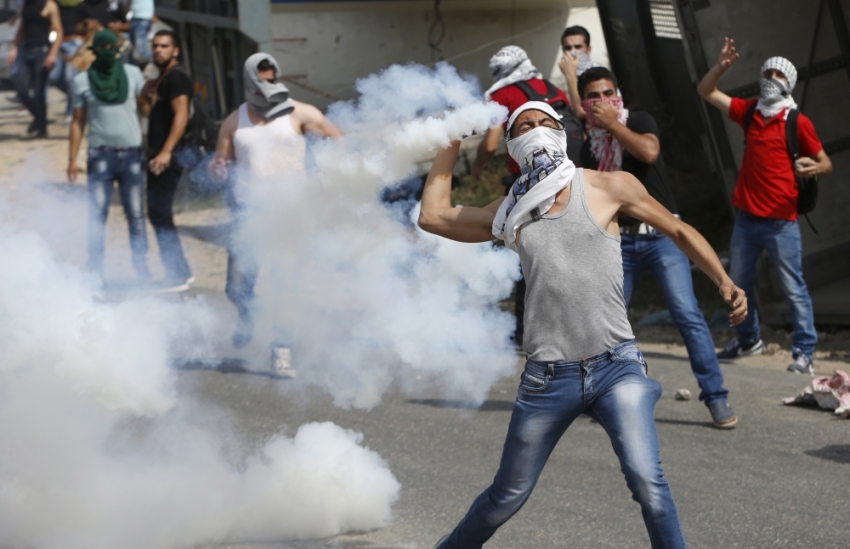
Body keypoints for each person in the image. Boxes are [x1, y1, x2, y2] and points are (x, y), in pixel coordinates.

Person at [419, 101, 747, 549]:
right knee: (506, 497)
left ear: (562, 133)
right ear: (513, 146)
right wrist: (452, 138)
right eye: (523, 127)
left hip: (617, 366)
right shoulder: (510, 210)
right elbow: (433, 217)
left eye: (543, 123)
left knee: (648, 484)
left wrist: (724, 281)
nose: (534, 130)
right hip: (547, 377)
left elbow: (677, 229)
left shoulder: (609, 186)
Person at [577, 66, 737, 428]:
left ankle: (716, 398)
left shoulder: (638, 120)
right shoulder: (589, 146)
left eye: (608, 93)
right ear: (585, 103)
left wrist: (614, 125)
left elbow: (648, 152)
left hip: (663, 237)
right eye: (594, 97)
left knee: (687, 314)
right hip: (618, 242)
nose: (602, 101)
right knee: (608, 323)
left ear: (617, 94)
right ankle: (606, 397)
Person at [698, 38, 832, 375]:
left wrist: (816, 168)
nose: (771, 77)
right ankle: (747, 339)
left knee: (793, 289)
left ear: (789, 83)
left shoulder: (796, 122)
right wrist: (722, 67)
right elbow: (706, 91)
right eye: (767, 71)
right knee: (737, 284)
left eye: (779, 74)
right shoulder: (750, 111)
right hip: (746, 220)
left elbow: (825, 161)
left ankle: (804, 351)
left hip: (782, 223)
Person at [209, 53, 341, 377]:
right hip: (247, 214)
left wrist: (326, 175)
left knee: (286, 285)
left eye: (271, 77)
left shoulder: (299, 113)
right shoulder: (234, 120)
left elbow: (338, 140)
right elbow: (219, 161)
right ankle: (249, 315)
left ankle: (282, 350)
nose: (267, 84)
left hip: (289, 215)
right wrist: (217, 168)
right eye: (260, 79)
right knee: (236, 285)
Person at [470, 45, 575, 348]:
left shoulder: (502, 96)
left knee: (524, 259)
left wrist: (477, 167)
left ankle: (525, 333)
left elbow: (490, 144)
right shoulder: (551, 88)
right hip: (568, 179)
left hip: (526, 183)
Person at [68, 29, 149, 281]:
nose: (106, 53)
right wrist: (72, 160)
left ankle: (141, 266)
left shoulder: (133, 74)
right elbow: (77, 122)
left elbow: (144, 108)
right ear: (94, 52)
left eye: (109, 48)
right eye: (101, 49)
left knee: (136, 215)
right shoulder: (82, 81)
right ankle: (95, 270)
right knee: (97, 216)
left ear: (116, 50)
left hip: (132, 155)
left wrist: (151, 96)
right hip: (100, 156)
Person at [138, 29, 193, 291]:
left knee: (160, 213)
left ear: (175, 50)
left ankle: (178, 273)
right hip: (159, 154)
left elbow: (181, 116)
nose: (158, 50)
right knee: (158, 213)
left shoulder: (177, 78)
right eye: (155, 46)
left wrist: (166, 151)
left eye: (164, 46)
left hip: (166, 156)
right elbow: (153, 115)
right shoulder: (163, 78)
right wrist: (144, 97)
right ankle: (177, 270)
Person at [6, 0, 62, 138]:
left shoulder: (49, 5)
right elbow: (22, 27)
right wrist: (14, 48)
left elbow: (59, 31)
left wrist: (52, 54)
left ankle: (42, 129)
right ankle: (39, 119)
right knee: (21, 87)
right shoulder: (26, 4)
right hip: (26, 50)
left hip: (42, 51)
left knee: (39, 92)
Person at [558, 24, 603, 119]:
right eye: (568, 48)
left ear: (588, 50)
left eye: (578, 47)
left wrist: (570, 74)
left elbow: (582, 112)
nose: (573, 52)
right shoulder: (572, 74)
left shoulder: (597, 74)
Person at [50, 0, 84, 124]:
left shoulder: (81, 3)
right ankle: (75, 98)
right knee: (54, 77)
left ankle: (71, 111)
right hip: (59, 40)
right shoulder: (54, 3)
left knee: (71, 79)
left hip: (75, 41)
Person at [127, 0, 153, 67]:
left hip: (144, 18)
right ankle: (133, 68)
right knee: (129, 47)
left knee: (141, 50)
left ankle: (156, 58)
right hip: (132, 18)